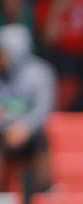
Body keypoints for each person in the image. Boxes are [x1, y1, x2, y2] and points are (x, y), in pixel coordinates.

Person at [0, 24, 55, 193]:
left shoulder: (41, 72)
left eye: (3, 51)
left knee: (41, 138)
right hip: (3, 131)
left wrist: (25, 127)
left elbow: (44, 108)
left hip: (29, 132)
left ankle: (44, 190)